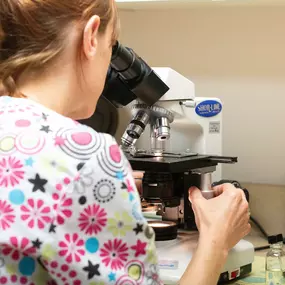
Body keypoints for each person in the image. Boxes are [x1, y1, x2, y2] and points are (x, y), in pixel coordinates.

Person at [0, 1, 251, 284]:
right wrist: (217, 240)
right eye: (112, 47)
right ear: (91, 36)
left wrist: (116, 186)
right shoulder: (85, 156)